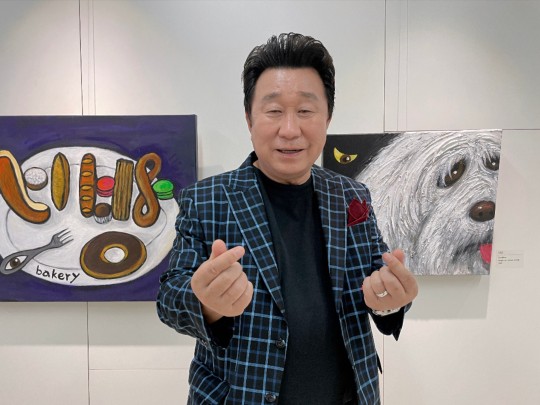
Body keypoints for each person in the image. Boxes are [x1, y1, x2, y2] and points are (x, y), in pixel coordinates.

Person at [157, 32, 418, 405]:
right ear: (249, 118)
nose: (290, 130)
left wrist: (390, 298)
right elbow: (169, 298)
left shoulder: (351, 195)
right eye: (274, 111)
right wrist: (209, 304)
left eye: (306, 111)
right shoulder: (207, 199)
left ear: (327, 117)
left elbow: (378, 280)